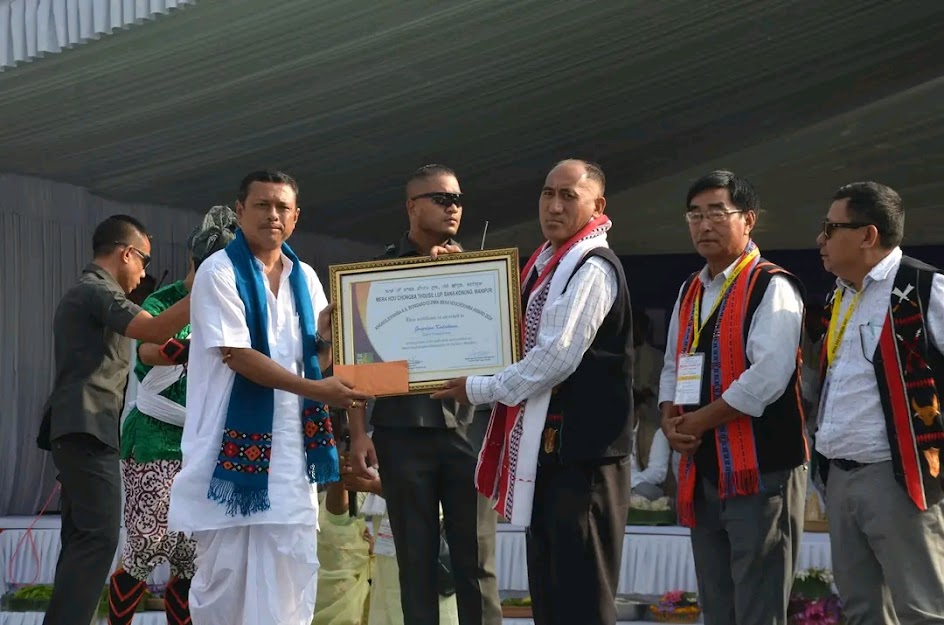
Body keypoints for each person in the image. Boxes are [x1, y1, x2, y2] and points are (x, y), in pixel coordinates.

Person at [432, 159, 634, 625]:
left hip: (585, 459)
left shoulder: (591, 267)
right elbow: (506, 325)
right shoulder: (546, 264)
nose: (554, 206)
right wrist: (466, 277)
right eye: (547, 194)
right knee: (551, 589)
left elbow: (554, 357)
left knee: (581, 594)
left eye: (568, 195)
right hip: (551, 455)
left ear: (597, 205)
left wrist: (479, 389)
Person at [167, 170, 372, 625]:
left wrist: (328, 339)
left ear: (296, 218)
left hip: (290, 465)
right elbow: (238, 357)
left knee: (289, 584)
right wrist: (319, 389)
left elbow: (313, 355)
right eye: (262, 205)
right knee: (222, 590)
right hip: (227, 460)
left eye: (282, 207)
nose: (273, 215)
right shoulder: (219, 272)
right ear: (240, 212)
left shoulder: (307, 277)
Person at [347, 164, 501, 625]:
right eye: (441, 198)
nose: (453, 207)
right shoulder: (377, 274)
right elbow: (357, 368)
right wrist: (358, 434)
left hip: (469, 431)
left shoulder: (478, 275)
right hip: (401, 432)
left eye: (458, 199)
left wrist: (460, 276)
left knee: (476, 564)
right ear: (412, 206)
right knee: (414, 564)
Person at [659, 170, 808, 625]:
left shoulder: (772, 284)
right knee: (716, 602)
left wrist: (696, 422)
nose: (704, 225)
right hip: (703, 468)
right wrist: (669, 420)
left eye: (717, 214)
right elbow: (671, 365)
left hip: (760, 469)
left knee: (759, 602)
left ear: (748, 220)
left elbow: (767, 379)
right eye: (695, 215)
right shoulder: (691, 289)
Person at [37, 215, 192, 625]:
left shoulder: (86, 292)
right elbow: (156, 329)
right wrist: (208, 287)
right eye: (143, 261)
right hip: (88, 427)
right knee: (99, 538)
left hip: (80, 428)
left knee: (82, 539)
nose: (143, 274)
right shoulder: (98, 291)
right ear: (126, 253)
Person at [812, 182, 944, 624]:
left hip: (900, 478)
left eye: (832, 228)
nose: (821, 239)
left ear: (868, 235)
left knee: (923, 609)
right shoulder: (839, 295)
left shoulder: (925, 287)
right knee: (862, 609)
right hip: (840, 475)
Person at [107, 206, 237, 625]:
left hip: (202, 444)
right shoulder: (164, 302)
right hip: (153, 438)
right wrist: (169, 353)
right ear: (195, 263)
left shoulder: (232, 309)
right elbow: (147, 349)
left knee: (192, 556)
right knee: (146, 546)